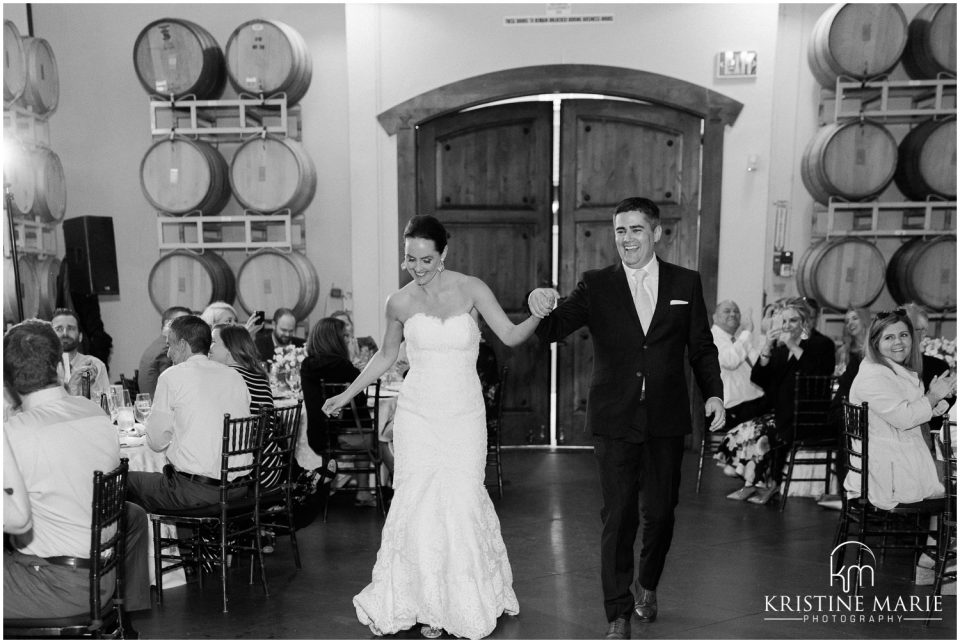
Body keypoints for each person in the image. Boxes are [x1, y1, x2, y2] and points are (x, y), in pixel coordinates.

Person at [321, 214, 542, 639]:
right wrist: (347, 394)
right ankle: (423, 602)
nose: (417, 268)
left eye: (426, 259)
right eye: (410, 259)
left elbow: (512, 336)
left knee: (460, 498)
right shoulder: (398, 302)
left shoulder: (472, 288)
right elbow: (385, 357)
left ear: (444, 253)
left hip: (462, 414)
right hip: (418, 414)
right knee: (417, 502)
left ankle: (461, 601)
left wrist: (538, 313)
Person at [528, 197, 724, 639]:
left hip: (666, 418)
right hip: (614, 417)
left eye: (636, 229)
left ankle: (648, 585)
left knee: (661, 512)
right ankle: (617, 610)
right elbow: (554, 329)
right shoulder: (596, 284)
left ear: (656, 233)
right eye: (620, 230)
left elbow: (701, 346)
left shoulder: (685, 282)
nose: (628, 238)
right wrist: (538, 299)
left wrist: (714, 394)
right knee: (618, 516)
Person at [3, 319, 151, 619]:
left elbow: (15, 520)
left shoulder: (13, 434)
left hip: (55, 586)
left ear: (7, 382)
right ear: (60, 368)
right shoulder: (96, 413)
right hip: (103, 573)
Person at [126, 315, 251, 512]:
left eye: (170, 345)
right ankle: (188, 541)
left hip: (197, 491)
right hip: (240, 488)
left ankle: (149, 542)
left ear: (183, 345)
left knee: (123, 481)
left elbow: (156, 443)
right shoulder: (235, 376)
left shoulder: (172, 376)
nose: (168, 354)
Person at [844, 309, 956, 509]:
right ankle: (943, 538)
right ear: (875, 342)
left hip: (894, 459)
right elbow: (904, 418)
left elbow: (901, 412)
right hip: (889, 474)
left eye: (904, 335)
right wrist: (933, 396)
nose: (899, 342)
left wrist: (932, 402)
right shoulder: (874, 376)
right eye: (889, 337)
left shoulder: (888, 369)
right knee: (954, 480)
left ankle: (936, 539)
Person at [745, 297, 836, 506]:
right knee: (759, 425)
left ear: (805, 323)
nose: (787, 326)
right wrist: (767, 346)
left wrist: (793, 345)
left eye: (793, 321)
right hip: (784, 413)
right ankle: (760, 481)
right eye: (784, 322)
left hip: (810, 416)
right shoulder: (780, 349)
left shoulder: (822, 344)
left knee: (773, 428)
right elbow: (758, 379)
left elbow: (817, 373)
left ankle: (769, 480)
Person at [301, 317, 377, 507]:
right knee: (367, 424)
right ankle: (363, 492)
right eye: (344, 336)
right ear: (334, 339)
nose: (348, 340)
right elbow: (360, 402)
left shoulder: (307, 365)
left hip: (319, 436)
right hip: (350, 437)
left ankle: (328, 485)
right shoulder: (344, 366)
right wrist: (352, 362)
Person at [211, 324, 274, 413]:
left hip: (242, 427)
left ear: (229, 347)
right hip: (263, 427)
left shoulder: (227, 375)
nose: (208, 348)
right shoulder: (260, 375)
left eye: (213, 341)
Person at [51, 307, 110, 400]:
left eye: (70, 328)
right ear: (50, 337)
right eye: (59, 329)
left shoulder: (95, 365)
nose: (65, 333)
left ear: (80, 337)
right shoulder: (44, 370)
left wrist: (91, 385)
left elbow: (105, 407)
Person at [138, 306, 191, 397]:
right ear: (168, 324)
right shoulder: (167, 349)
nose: (189, 327)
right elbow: (172, 384)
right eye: (182, 322)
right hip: (160, 405)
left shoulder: (157, 344)